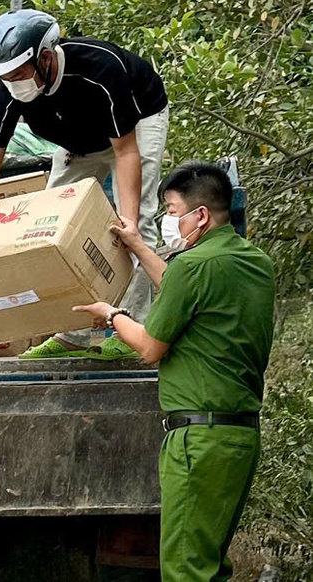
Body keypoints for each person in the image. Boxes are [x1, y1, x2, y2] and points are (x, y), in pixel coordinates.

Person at [74, 161, 276, 581]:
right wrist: (139, 247)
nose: (168, 221)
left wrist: (113, 315)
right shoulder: (255, 263)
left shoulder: (192, 265)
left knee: (186, 571)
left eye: (170, 210)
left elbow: (149, 347)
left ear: (199, 215)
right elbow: (185, 288)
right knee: (210, 566)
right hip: (239, 438)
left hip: (196, 442)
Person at [0, 8, 169, 360]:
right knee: (53, 228)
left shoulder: (100, 68)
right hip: (78, 139)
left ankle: (130, 332)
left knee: (136, 227)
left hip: (134, 126)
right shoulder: (8, 93)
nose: (12, 83)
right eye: (5, 77)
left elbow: (125, 153)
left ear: (46, 58)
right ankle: (72, 337)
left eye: (18, 74)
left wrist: (130, 219)